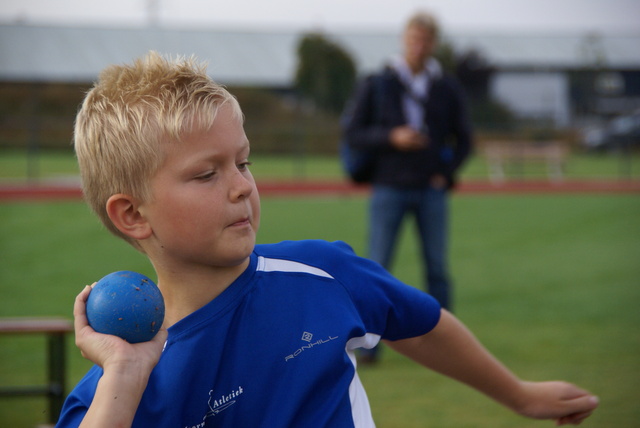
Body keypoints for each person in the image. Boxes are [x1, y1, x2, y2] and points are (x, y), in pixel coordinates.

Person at [56, 51, 598, 427]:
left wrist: (517, 394)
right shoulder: (112, 395)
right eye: (206, 174)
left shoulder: (321, 273)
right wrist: (123, 381)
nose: (242, 186)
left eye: (243, 162)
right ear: (132, 215)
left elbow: (421, 324)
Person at [342, 11, 472, 316]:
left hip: (430, 188)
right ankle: (370, 341)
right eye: (414, 38)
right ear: (404, 39)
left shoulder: (446, 87)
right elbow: (353, 132)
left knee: (437, 268)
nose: (419, 45)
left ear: (434, 43)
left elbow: (465, 139)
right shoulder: (378, 82)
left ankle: (446, 344)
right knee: (377, 265)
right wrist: (392, 136)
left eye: (425, 39)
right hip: (389, 185)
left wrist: (445, 173)